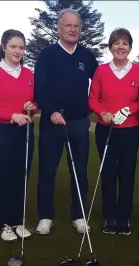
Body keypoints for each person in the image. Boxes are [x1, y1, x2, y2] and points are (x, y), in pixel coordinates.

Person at [34, 8, 99, 234]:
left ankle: (78, 215)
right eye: (68, 25)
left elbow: (99, 83)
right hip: (53, 122)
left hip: (79, 122)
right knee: (47, 171)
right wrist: (50, 110)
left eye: (76, 26)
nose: (73, 29)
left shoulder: (86, 56)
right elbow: (39, 88)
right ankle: (45, 216)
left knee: (79, 171)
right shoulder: (47, 55)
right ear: (59, 28)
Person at [0, 29, 38, 242]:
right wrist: (12, 115)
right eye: (13, 46)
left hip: (25, 132)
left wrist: (32, 107)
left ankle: (16, 220)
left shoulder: (29, 74)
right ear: (4, 47)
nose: (18, 51)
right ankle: (2, 224)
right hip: (2, 132)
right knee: (4, 177)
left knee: (21, 177)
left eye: (21, 47)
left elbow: (35, 103)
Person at [88, 28, 139, 235]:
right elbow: (93, 98)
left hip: (130, 131)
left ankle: (124, 218)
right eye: (116, 43)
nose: (120, 47)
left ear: (130, 47)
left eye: (125, 43)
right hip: (106, 130)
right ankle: (109, 217)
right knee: (109, 173)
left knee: (127, 174)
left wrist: (130, 109)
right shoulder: (101, 71)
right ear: (111, 46)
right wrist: (102, 112)